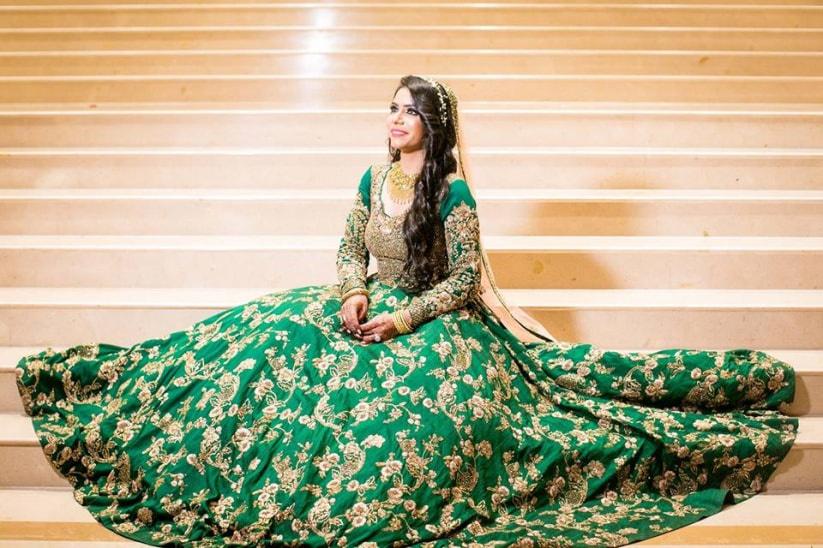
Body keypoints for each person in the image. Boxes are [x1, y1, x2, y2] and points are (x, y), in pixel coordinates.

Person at [15, 74, 797, 547]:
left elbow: (462, 282)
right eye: (389, 108)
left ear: (433, 126)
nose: (392, 120)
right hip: (361, 306)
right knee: (257, 344)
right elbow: (346, 249)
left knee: (420, 417)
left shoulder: (451, 193)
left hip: (435, 321)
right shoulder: (371, 177)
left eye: (406, 112)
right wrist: (354, 294)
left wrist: (400, 319)